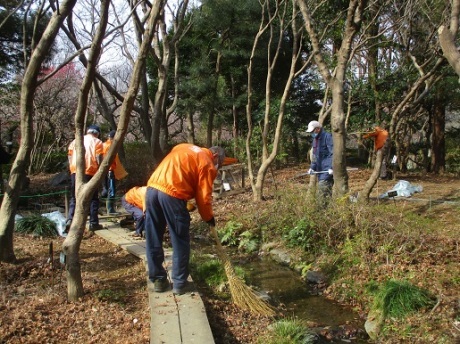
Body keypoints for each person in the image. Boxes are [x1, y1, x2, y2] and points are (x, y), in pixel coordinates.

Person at [144, 143, 225, 295]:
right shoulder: (207, 163)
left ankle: (158, 280)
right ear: (215, 156)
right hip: (172, 194)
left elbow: (179, 168)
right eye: (218, 164)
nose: (217, 167)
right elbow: (203, 197)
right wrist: (208, 217)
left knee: (153, 236)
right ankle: (180, 283)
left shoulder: (184, 147)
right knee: (180, 238)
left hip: (151, 189)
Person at [66, 125, 104, 232]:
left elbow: (69, 156)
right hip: (90, 171)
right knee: (93, 198)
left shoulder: (75, 141)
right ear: (97, 133)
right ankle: (93, 223)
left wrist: (71, 168)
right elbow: (98, 157)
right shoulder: (97, 142)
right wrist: (100, 171)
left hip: (75, 171)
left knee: (74, 196)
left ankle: (70, 219)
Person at [306, 120, 334, 203]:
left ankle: (321, 212)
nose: (311, 133)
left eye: (312, 131)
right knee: (326, 195)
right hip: (320, 171)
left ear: (318, 129)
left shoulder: (327, 137)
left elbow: (333, 153)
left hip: (327, 171)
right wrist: (312, 168)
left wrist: (331, 167)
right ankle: (328, 213)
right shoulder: (315, 140)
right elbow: (315, 156)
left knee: (322, 194)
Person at [102, 130, 128, 214]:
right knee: (111, 189)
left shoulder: (103, 145)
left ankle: (109, 208)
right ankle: (110, 209)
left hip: (104, 170)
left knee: (107, 188)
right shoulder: (111, 146)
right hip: (110, 170)